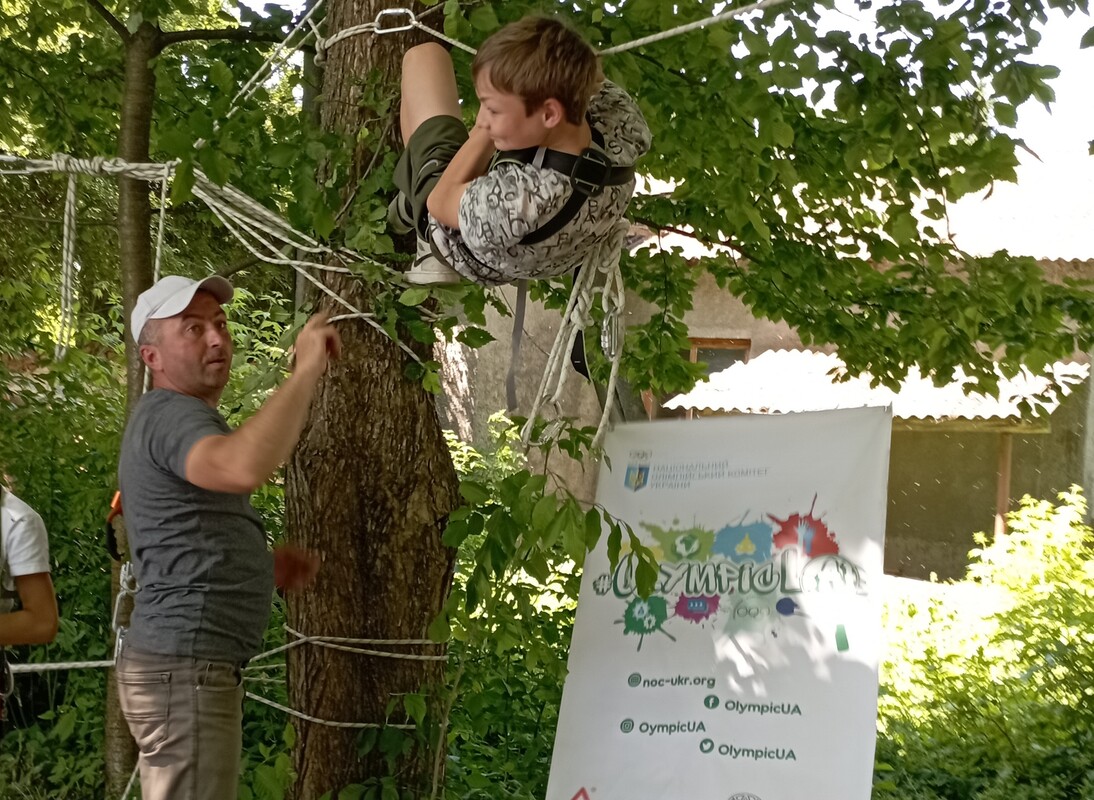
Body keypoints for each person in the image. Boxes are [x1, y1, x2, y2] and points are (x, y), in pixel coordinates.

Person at [116, 274, 339, 800]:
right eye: (193, 328)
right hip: (184, 671)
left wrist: (260, 566)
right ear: (152, 357)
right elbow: (240, 467)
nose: (217, 338)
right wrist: (307, 369)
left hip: (183, 670)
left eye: (219, 323)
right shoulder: (171, 415)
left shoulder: (177, 418)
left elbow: (186, 533)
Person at [388, 15, 652, 285]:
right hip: (549, 249)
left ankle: (425, 241)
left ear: (549, 114)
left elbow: (439, 203)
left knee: (425, 57)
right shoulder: (619, 120)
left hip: (463, 246)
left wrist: (482, 131)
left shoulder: (515, 200)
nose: (483, 117)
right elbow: (593, 77)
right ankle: (411, 196)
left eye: (492, 109)